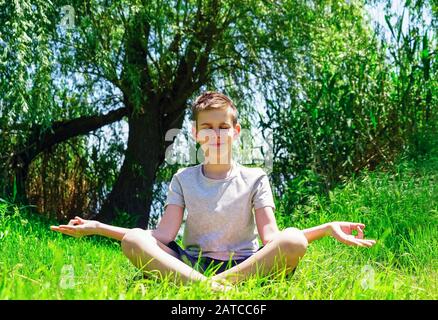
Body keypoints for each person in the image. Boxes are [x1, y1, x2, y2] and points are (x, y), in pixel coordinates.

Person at [51, 91, 376, 290]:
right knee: (136, 239)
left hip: (246, 265)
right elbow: (162, 236)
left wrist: (326, 228)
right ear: (195, 133)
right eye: (207, 127)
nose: (216, 133)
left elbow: (273, 240)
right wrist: (98, 228)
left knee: (293, 239)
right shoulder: (182, 178)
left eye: (223, 127)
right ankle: (206, 285)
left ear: (235, 132)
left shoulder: (255, 178)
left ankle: (214, 287)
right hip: (193, 264)